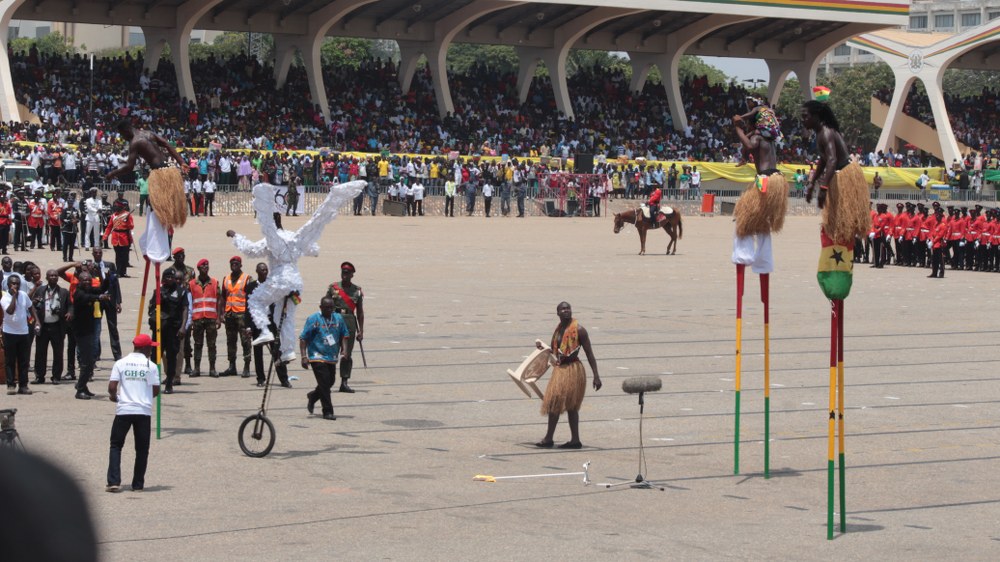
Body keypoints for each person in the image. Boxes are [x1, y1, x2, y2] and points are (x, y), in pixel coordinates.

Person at [231, 181, 363, 364]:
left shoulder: (270, 240)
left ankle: (264, 331)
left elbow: (250, 251)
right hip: (295, 284)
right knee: (284, 317)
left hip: (280, 281)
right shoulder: (293, 237)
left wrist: (235, 236)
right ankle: (287, 351)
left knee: (255, 300)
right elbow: (313, 247)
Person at [801, 100, 871, 246]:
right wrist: (812, 183)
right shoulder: (821, 132)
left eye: (806, 116)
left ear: (816, 116)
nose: (803, 120)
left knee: (844, 222)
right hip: (839, 173)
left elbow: (832, 160)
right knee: (837, 222)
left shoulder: (826, 132)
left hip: (845, 175)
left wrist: (823, 188)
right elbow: (824, 159)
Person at [731, 106, 789, 273]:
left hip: (766, 180)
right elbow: (748, 146)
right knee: (761, 222)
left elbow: (749, 145)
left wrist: (737, 128)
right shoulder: (769, 139)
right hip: (777, 180)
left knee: (743, 215)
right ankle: (763, 261)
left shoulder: (757, 137)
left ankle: (743, 256)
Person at [535, 302, 601, 449]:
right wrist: (544, 349)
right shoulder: (558, 330)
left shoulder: (579, 330)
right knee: (554, 402)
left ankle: (572, 440)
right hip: (560, 369)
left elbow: (590, 353)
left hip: (573, 369)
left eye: (568, 308)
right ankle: (551, 438)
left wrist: (596, 376)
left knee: (571, 405)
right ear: (557, 313)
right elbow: (557, 351)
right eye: (563, 309)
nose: (566, 311)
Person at [105, 119, 187, 230]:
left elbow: (129, 167)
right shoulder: (149, 133)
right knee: (160, 206)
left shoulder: (135, 142)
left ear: (126, 130)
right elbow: (167, 144)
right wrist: (181, 161)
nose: (123, 138)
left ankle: (158, 235)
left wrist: (112, 174)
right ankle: (162, 233)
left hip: (159, 174)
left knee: (156, 206)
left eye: (122, 135)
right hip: (170, 170)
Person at [105, 333, 160, 493]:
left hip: (124, 409)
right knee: (142, 449)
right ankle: (138, 484)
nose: (152, 351)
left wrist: (114, 397)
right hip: (143, 411)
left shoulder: (121, 363)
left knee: (116, 445)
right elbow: (156, 389)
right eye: (151, 347)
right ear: (145, 348)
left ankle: (113, 481)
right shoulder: (151, 366)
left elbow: (112, 387)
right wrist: (145, 397)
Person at [300, 297, 349, 420]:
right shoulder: (313, 319)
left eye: (331, 307)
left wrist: (344, 350)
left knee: (330, 381)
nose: (329, 310)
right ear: (320, 307)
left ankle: (313, 396)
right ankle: (327, 411)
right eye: (326, 307)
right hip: (316, 356)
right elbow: (303, 338)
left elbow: (344, 335)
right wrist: (304, 356)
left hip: (331, 356)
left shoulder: (338, 318)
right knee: (324, 382)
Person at [247, 262, 290, 388]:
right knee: (258, 352)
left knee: (276, 350)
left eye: (266, 270)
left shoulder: (272, 285)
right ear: (257, 271)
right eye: (262, 270)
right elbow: (247, 307)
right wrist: (248, 326)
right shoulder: (251, 286)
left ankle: (284, 379)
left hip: (271, 322)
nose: (264, 272)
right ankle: (260, 378)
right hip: (257, 322)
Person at [326, 261, 364, 393]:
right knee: (331, 352)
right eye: (343, 272)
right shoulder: (333, 287)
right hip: (335, 321)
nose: (345, 275)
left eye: (347, 273)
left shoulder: (357, 291)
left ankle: (344, 382)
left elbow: (359, 312)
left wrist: (361, 330)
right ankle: (328, 382)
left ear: (352, 275)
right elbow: (325, 305)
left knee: (347, 354)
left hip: (349, 322)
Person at [148, 268, 188, 393]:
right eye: (167, 277)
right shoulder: (158, 291)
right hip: (159, 329)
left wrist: (183, 327)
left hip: (173, 329)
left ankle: (169, 383)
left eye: (172, 277)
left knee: (171, 357)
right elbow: (151, 308)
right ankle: (153, 384)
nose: (170, 279)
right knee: (155, 357)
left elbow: (185, 309)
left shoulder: (181, 291)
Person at [71, 268, 108, 399]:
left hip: (90, 330)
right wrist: (99, 297)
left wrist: (106, 276)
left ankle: (84, 386)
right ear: (79, 281)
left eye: (88, 279)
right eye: (84, 280)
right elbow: (90, 297)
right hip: (82, 332)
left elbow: (102, 288)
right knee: (86, 362)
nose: (87, 282)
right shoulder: (79, 293)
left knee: (91, 360)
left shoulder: (89, 289)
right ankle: (79, 389)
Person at [30, 269, 70, 385]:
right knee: (40, 352)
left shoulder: (63, 292)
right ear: (47, 278)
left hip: (57, 326)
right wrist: (34, 302)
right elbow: (32, 305)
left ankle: (56, 376)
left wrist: (70, 313)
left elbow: (70, 306)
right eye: (51, 276)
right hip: (43, 326)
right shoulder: (40, 290)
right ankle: (39, 376)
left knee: (58, 353)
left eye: (55, 276)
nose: (53, 277)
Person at [3, 274, 41, 395]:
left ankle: (23, 385)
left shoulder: (24, 295)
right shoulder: (5, 298)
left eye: (18, 283)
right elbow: (10, 311)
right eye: (13, 283)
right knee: (10, 360)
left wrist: (37, 321)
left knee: (24, 360)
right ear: (8, 285)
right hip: (9, 332)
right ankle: (11, 384)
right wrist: (14, 296)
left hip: (23, 332)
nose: (16, 285)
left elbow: (31, 308)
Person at [188, 258, 222, 378]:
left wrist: (219, 317)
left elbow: (219, 300)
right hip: (197, 318)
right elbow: (189, 302)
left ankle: (212, 369)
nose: (206, 268)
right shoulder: (192, 284)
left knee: (212, 344)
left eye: (207, 266)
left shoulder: (214, 282)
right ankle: (196, 368)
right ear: (198, 268)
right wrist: (190, 319)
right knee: (197, 344)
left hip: (211, 318)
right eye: (203, 266)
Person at [220, 255, 252, 377]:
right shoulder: (226, 279)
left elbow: (252, 297)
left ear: (240, 265)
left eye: (236, 263)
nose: (234, 265)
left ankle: (246, 366)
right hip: (229, 314)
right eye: (232, 263)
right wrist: (222, 313)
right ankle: (232, 366)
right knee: (231, 341)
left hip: (242, 315)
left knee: (245, 341)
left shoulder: (247, 278)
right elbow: (223, 297)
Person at [92, 248, 123, 361]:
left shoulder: (110, 265)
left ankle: (117, 353)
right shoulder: (91, 267)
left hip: (110, 299)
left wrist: (118, 301)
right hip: (97, 300)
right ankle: (96, 354)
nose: (98, 254)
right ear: (93, 254)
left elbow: (116, 284)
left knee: (113, 327)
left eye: (100, 252)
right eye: (96, 253)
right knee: (96, 327)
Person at [168, 248, 195, 373]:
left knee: (187, 339)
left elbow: (193, 288)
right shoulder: (170, 271)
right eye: (178, 256)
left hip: (187, 302)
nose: (180, 258)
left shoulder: (190, 271)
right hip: (173, 304)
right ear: (174, 257)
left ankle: (188, 364)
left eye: (182, 256)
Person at [102, 204, 134, 278]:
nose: (116, 209)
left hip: (124, 237)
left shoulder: (127, 215)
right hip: (115, 237)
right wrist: (105, 235)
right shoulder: (113, 216)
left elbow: (131, 226)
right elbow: (109, 226)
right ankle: (118, 272)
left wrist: (127, 220)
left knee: (125, 256)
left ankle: (124, 272)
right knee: (118, 256)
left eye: (117, 207)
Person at [60, 192, 81, 262]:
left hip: (73, 229)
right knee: (65, 244)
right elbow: (62, 219)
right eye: (69, 203)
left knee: (72, 245)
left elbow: (78, 218)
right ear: (67, 203)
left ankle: (70, 257)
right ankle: (64, 257)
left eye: (71, 203)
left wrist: (76, 220)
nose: (70, 204)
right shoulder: (65, 210)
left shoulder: (75, 210)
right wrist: (69, 221)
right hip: (66, 229)